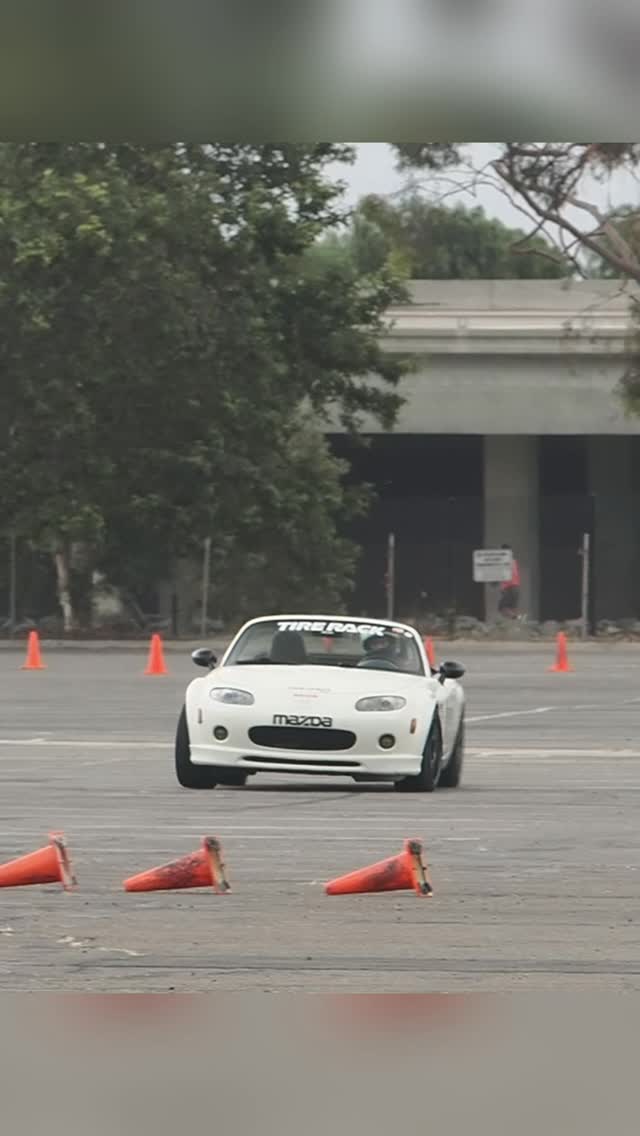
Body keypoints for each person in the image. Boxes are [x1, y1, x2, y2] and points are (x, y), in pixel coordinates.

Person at [498, 543, 520, 619]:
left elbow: (505, 575)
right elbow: (515, 574)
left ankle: (515, 617)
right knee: (512, 606)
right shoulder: (513, 561)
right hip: (516, 587)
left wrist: (502, 587)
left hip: (509, 587)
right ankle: (516, 620)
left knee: (502, 607)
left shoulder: (504, 561)